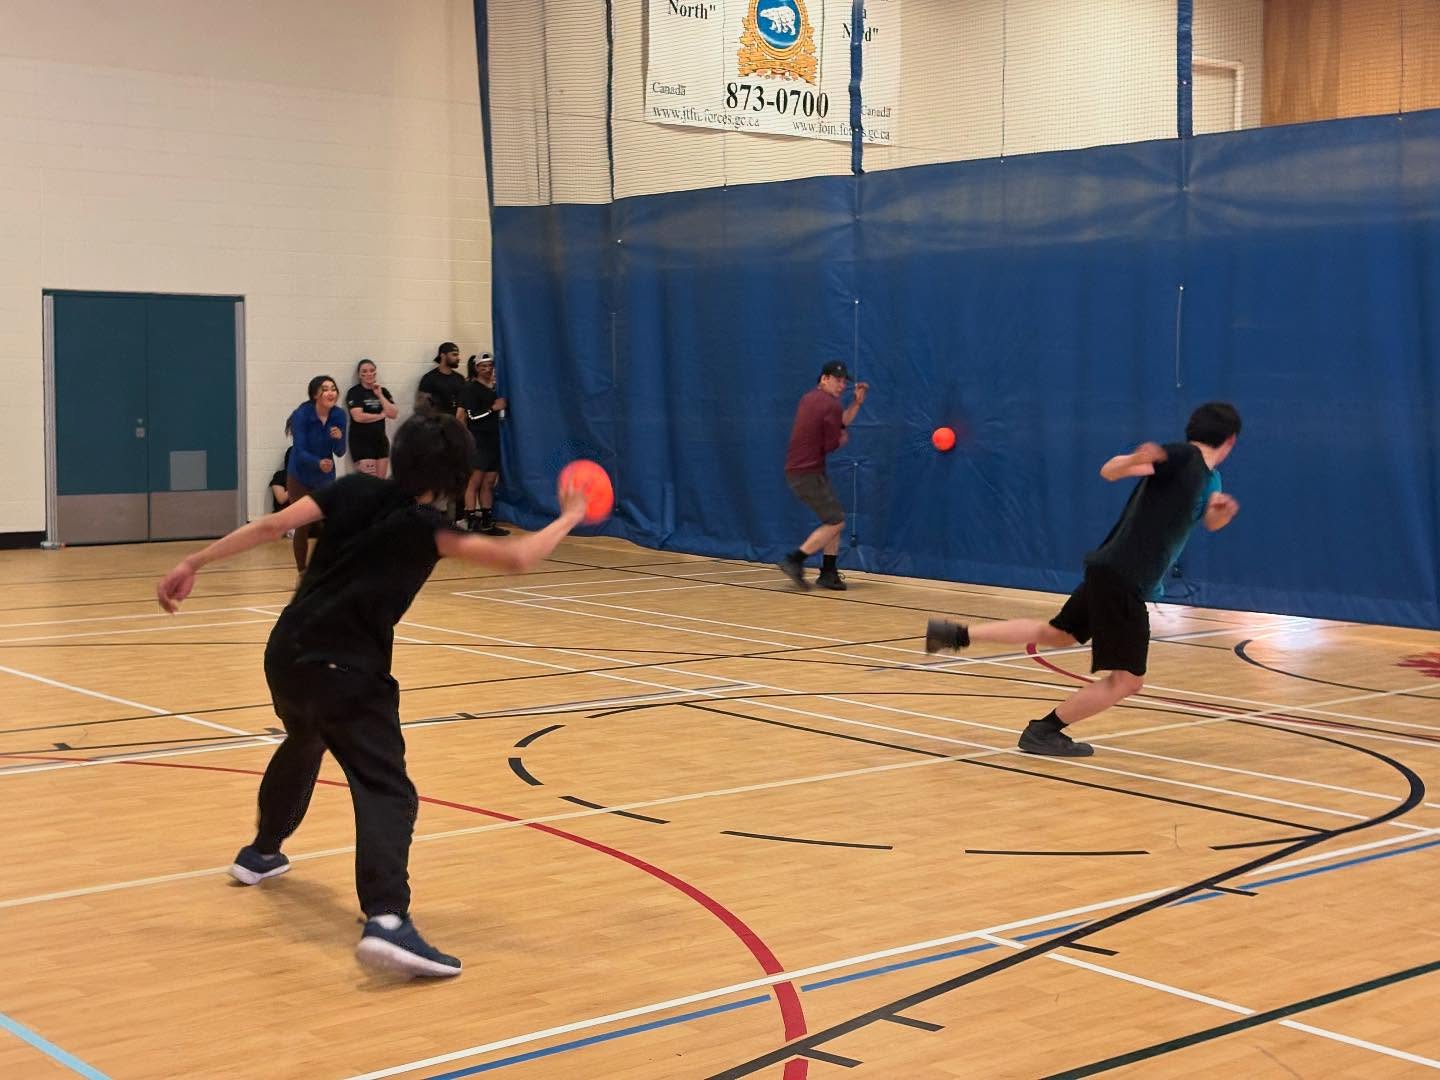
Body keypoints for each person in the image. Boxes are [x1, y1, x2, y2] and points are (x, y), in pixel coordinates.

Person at [155, 413, 590, 978]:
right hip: (349, 673)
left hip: (286, 655)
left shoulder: (353, 489)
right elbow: (518, 557)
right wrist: (571, 516)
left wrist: (194, 561)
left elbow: (271, 526)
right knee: (389, 792)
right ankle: (387, 922)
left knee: (305, 738)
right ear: (455, 475)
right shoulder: (428, 528)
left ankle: (262, 851)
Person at [925, 402, 1242, 758]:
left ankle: (955, 635)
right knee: (1128, 681)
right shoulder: (1184, 457)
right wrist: (1133, 459)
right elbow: (1109, 471)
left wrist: (1220, 514)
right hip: (1126, 576)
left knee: (1058, 634)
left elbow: (1210, 521)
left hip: (1111, 569)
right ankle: (1044, 731)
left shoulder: (1210, 477)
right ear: (1230, 440)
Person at [777, 361, 869, 590]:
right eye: (837, 380)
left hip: (801, 470)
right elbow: (832, 443)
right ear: (824, 379)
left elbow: (840, 423)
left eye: (844, 382)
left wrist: (857, 403)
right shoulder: (830, 405)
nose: (841, 385)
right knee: (836, 521)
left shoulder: (810, 398)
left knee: (833, 519)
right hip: (807, 473)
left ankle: (828, 572)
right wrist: (841, 439)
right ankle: (795, 560)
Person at [285, 375, 347, 577]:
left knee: (335, 520)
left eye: (333, 388)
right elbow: (300, 450)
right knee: (302, 524)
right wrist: (317, 463)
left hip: (325, 475)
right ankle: (302, 573)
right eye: (325, 389)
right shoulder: (301, 415)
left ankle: (330, 568)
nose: (331, 392)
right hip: (300, 474)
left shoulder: (338, 415)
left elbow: (340, 451)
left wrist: (338, 439)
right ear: (315, 395)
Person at [459, 353, 508, 535]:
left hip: (493, 440)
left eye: (490, 366)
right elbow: (472, 416)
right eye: (483, 366)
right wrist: (492, 408)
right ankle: (471, 520)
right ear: (476, 368)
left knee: (489, 481)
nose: (487, 369)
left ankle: (487, 520)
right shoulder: (471, 389)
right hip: (478, 440)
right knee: (475, 481)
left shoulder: (496, 388)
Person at [346, 359, 398, 478]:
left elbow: (393, 413)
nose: (369, 374)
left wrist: (379, 395)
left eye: (371, 370)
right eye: (364, 371)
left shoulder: (382, 391)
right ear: (360, 375)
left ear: (375, 372)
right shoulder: (355, 392)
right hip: (362, 442)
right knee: (367, 485)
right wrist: (380, 415)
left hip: (380, 441)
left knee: (380, 484)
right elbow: (358, 416)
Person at [417, 342, 467, 419]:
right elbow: (422, 407)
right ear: (443, 356)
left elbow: (464, 405)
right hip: (437, 425)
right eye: (454, 355)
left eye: (458, 355)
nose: (458, 358)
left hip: (456, 425)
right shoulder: (429, 378)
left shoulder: (460, 378)